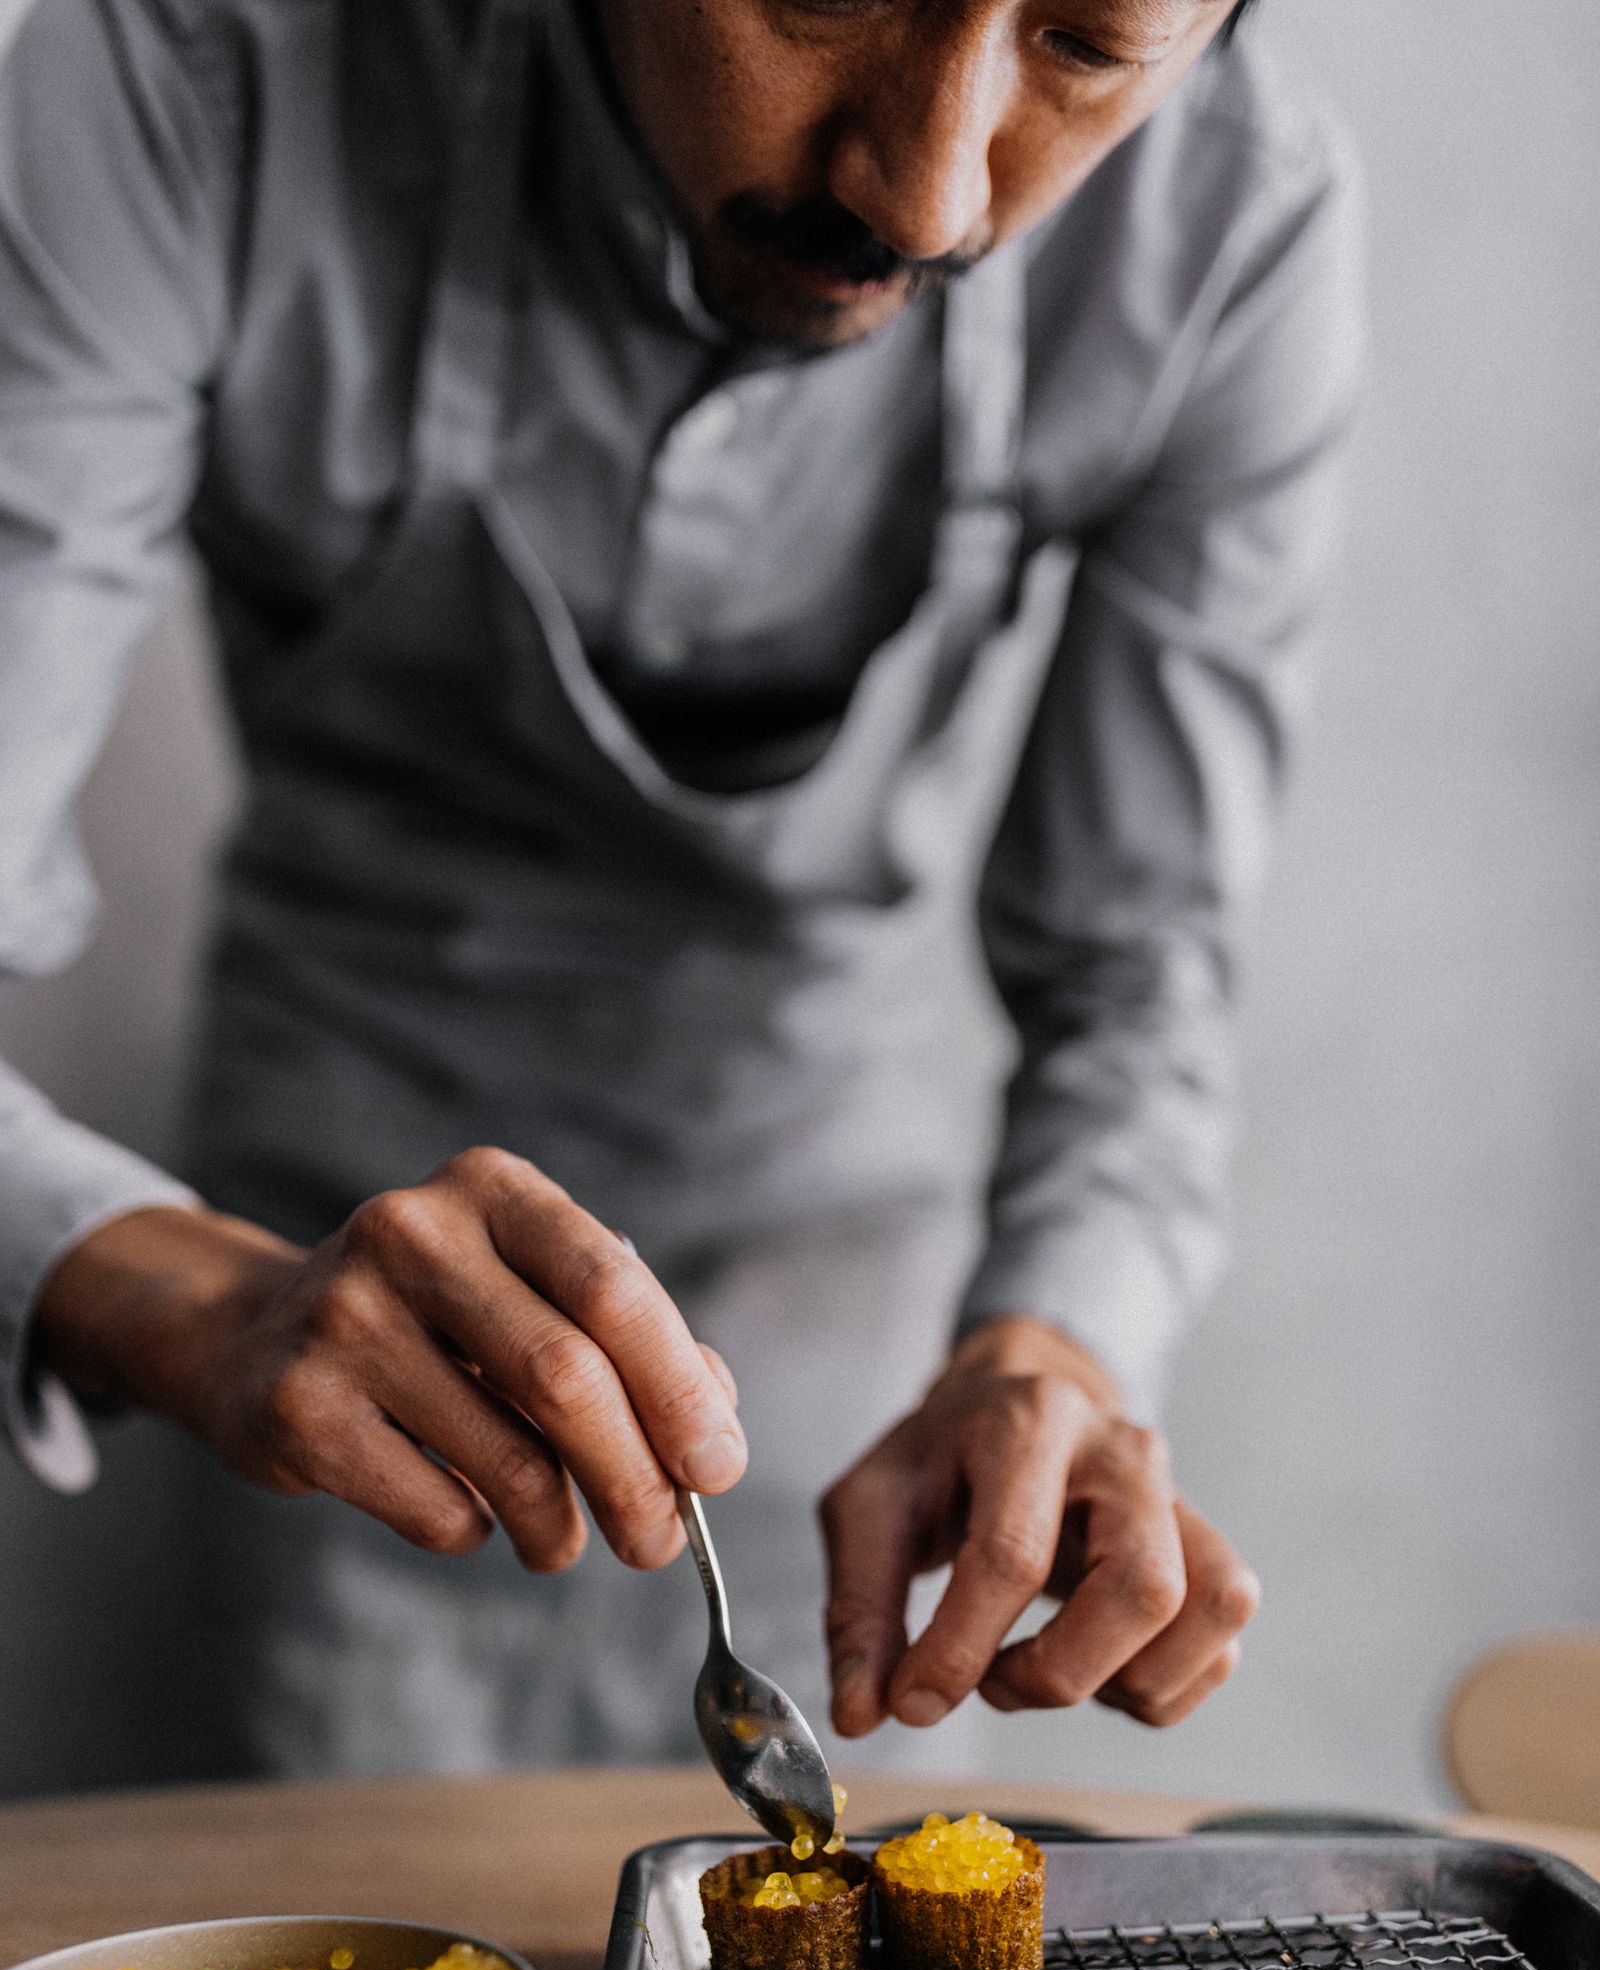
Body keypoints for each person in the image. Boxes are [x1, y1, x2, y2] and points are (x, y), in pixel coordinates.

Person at [0, 0, 1360, 1776]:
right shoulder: (195, 73)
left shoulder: (1234, 224)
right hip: (322, 1360)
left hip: (859, 1420)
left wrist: (1061, 1350)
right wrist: (182, 1295)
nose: (929, 194)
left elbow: (1137, 978)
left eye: (1091, 43)